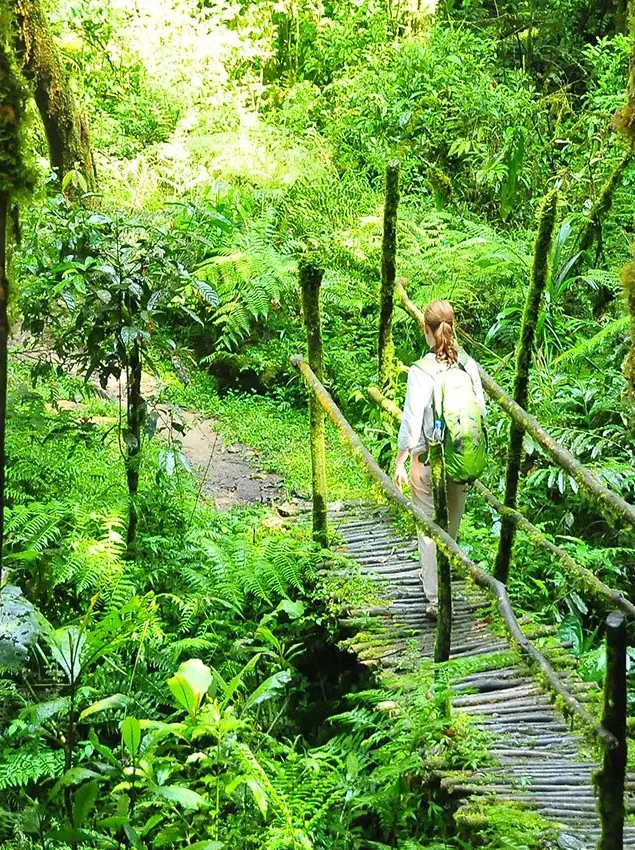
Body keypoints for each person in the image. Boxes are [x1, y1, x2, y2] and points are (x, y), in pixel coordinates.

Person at [393, 300, 486, 620]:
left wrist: (401, 460)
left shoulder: (421, 371)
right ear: (454, 327)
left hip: (429, 461)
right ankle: (444, 584)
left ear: (426, 329)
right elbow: (481, 413)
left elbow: (411, 420)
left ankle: (435, 598)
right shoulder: (468, 366)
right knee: (451, 530)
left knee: (428, 529)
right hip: (461, 460)